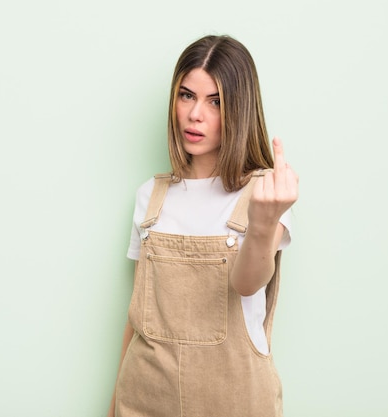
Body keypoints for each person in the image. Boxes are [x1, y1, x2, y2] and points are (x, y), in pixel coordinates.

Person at [107, 34, 299, 417]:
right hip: (145, 397)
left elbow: (247, 283)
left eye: (216, 101)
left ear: (240, 109)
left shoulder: (264, 194)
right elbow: (138, 318)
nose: (196, 114)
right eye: (186, 95)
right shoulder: (151, 196)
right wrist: (114, 407)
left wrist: (263, 223)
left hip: (237, 400)